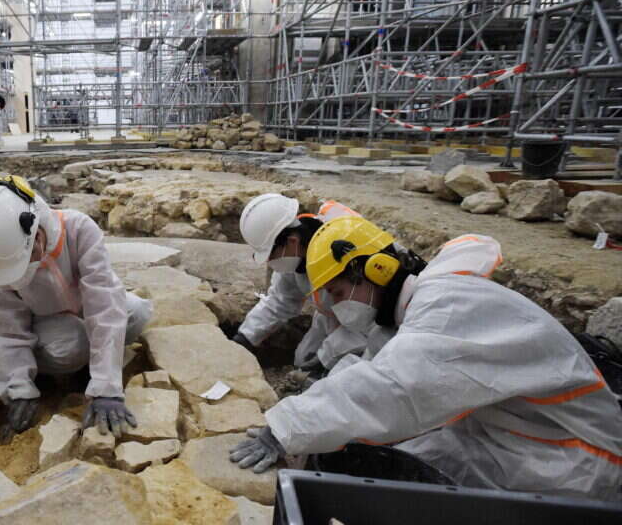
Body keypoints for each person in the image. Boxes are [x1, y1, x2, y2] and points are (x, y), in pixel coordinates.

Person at [231, 217, 622, 501]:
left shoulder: (447, 308)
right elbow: (372, 364)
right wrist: (310, 406)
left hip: (569, 456)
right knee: (386, 458)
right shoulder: (412, 310)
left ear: (375, 270)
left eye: (336, 291)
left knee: (394, 483)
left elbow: (394, 387)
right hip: (507, 430)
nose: (332, 305)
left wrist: (286, 426)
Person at [0, 175, 152, 437]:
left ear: (36, 235)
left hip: (83, 307)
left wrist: (107, 388)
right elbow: (2, 327)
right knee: (73, 346)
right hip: (46, 323)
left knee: (135, 313)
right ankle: (51, 371)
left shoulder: (78, 229)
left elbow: (104, 303)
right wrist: (18, 389)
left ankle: (94, 369)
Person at [232, 195, 390, 375]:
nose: (269, 262)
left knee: (338, 373)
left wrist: (326, 356)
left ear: (292, 241)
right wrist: (244, 337)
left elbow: (368, 322)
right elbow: (280, 301)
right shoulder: (294, 256)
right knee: (303, 359)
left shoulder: (345, 252)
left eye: (270, 255)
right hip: (330, 315)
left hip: (368, 321)